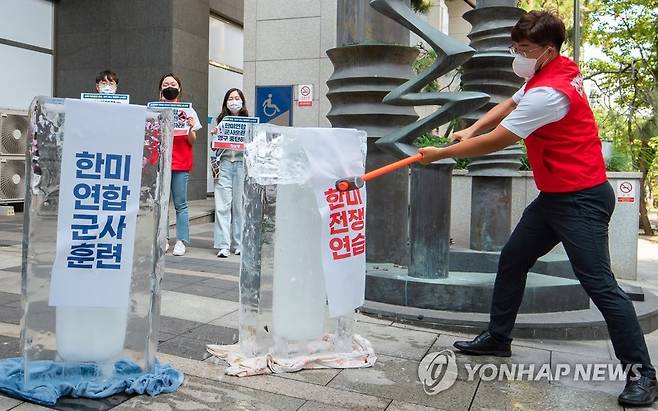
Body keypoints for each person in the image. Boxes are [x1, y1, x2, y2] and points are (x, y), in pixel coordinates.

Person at [418, 10, 656, 406]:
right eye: (515, 47)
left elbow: (500, 139)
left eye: (524, 49)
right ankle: (498, 338)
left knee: (601, 287)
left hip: (581, 200)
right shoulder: (550, 72)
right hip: (554, 197)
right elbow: (510, 103)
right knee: (512, 259)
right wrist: (472, 127)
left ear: (547, 50)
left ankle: (643, 374)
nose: (517, 55)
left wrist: (444, 152)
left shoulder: (551, 93)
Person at [159, 73, 201, 256]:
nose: (169, 86)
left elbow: (192, 141)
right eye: (166, 84)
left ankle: (181, 241)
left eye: (173, 84)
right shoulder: (154, 110)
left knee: (180, 204)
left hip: (181, 163)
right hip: (161, 163)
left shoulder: (189, 112)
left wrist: (191, 128)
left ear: (179, 88)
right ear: (160, 89)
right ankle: (164, 239)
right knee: (162, 203)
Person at [209, 88, 249, 258]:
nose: (234, 101)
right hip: (224, 164)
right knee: (222, 206)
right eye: (230, 98)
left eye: (236, 98)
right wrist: (214, 137)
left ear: (242, 101)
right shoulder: (220, 122)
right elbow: (214, 148)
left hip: (241, 165)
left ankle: (239, 243)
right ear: (226, 102)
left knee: (239, 207)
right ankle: (223, 245)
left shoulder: (249, 123)